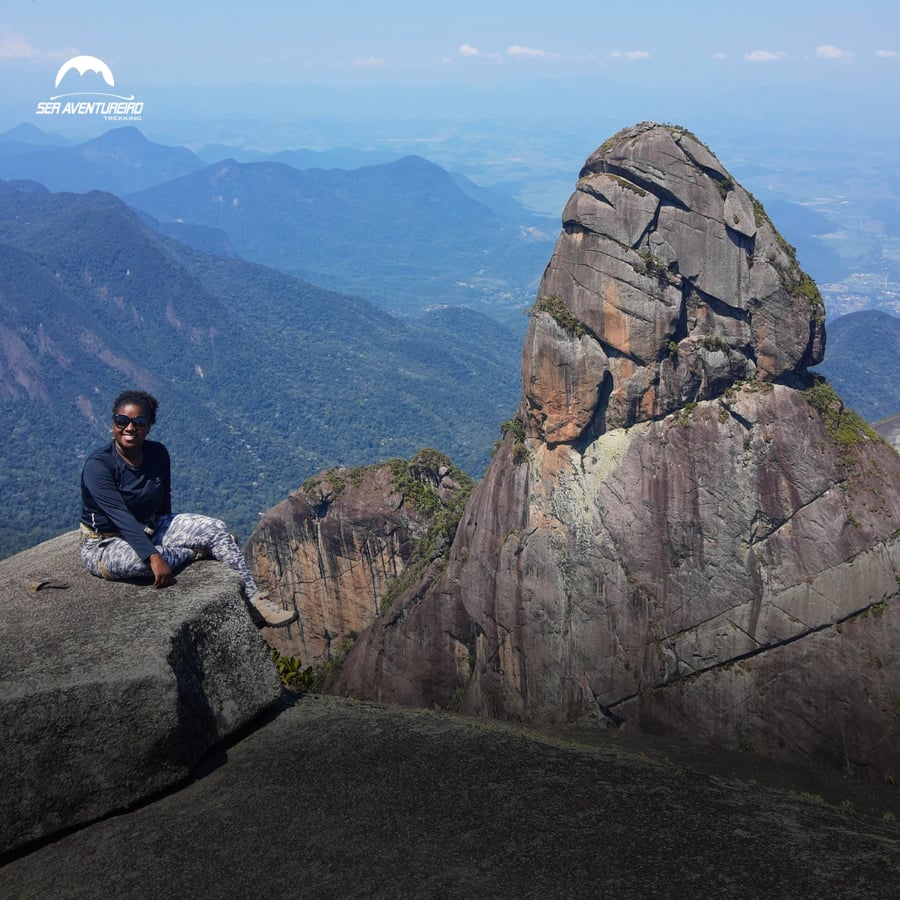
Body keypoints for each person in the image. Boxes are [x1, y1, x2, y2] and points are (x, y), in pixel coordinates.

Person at [79, 389, 297, 627]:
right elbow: (119, 516)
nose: (129, 428)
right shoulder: (98, 466)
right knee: (142, 563)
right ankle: (194, 553)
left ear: (149, 425)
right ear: (113, 423)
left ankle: (255, 601)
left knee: (216, 528)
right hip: (105, 542)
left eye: (138, 422)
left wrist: (170, 531)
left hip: (149, 528)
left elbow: (164, 503)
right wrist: (153, 555)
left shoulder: (157, 453)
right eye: (122, 421)